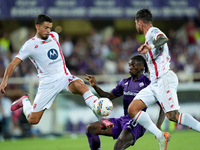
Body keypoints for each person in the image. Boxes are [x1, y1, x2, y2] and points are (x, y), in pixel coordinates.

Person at [0, 14, 113, 128]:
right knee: (33, 120)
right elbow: (13, 64)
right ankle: (24, 101)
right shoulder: (29, 45)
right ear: (37, 26)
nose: (48, 31)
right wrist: (4, 81)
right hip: (47, 84)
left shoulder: (54, 36)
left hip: (64, 78)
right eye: (45, 27)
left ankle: (102, 119)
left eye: (50, 28)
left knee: (82, 86)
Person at [127, 9, 200, 150]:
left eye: (136, 22)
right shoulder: (148, 37)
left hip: (164, 79)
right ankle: (161, 136)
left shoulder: (153, 32)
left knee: (173, 115)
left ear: (140, 22)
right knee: (133, 109)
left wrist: (151, 46)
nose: (135, 25)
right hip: (154, 83)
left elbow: (163, 38)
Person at [85, 55, 165, 150]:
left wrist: (158, 125)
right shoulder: (124, 82)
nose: (130, 68)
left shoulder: (148, 84)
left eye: (133, 65)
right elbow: (108, 96)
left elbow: (163, 106)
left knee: (118, 147)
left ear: (141, 66)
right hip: (123, 121)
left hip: (137, 123)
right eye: (129, 65)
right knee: (90, 128)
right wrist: (95, 86)